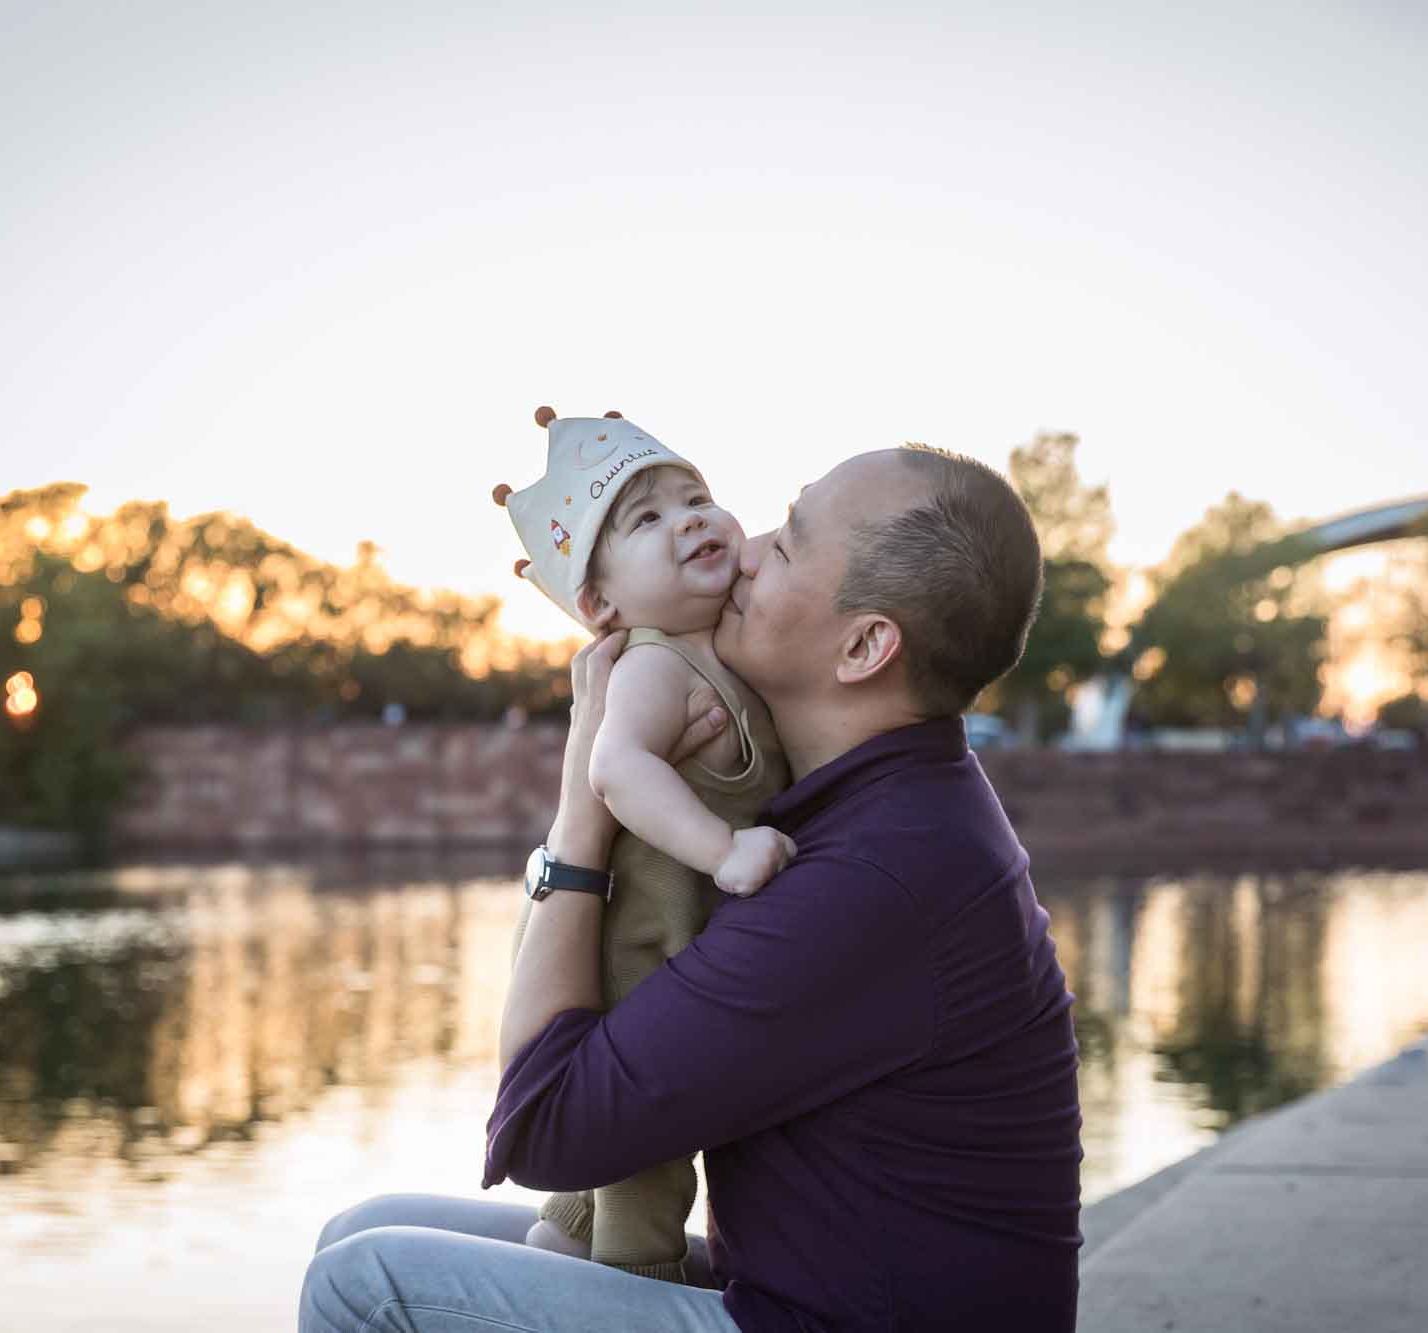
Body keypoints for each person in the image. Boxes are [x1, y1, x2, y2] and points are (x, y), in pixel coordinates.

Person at [301, 444, 1084, 1333]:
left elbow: (545, 1124)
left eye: (787, 544)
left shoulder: (874, 876)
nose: (743, 547)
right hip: (827, 1294)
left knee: (363, 1286)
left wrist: (582, 811)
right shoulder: (894, 806)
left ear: (865, 646)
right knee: (362, 1227)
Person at [495, 406, 795, 1281]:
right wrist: (720, 850)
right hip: (636, 965)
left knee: (623, 1172)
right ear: (599, 605)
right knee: (651, 1175)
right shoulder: (656, 665)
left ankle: (564, 1245)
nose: (691, 518)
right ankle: (629, 1286)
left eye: (697, 497)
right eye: (648, 517)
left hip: (661, 951)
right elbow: (616, 767)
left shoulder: (722, 652)